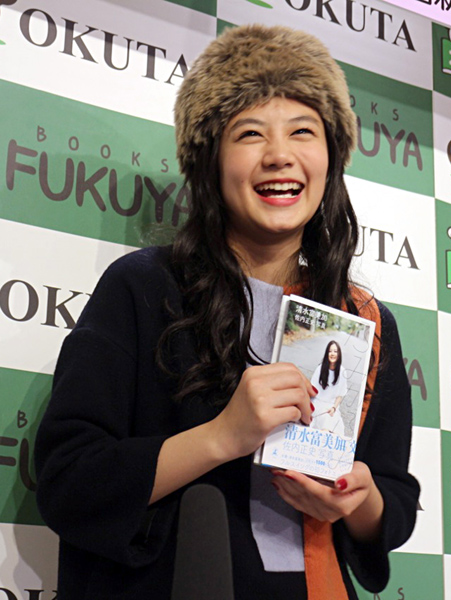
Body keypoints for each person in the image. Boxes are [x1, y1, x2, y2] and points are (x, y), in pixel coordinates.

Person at [34, 24, 420, 600]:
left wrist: (357, 498)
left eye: (303, 131)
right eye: (250, 133)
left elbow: (393, 503)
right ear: (210, 161)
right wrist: (222, 436)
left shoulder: (363, 318)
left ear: (331, 158)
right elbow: (68, 480)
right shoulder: (142, 287)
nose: (280, 155)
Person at [310, 340, 347, 435]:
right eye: (330, 351)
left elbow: (340, 395)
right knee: (324, 424)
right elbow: (312, 389)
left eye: (335, 351)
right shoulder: (320, 368)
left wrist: (334, 408)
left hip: (331, 406)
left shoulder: (342, 371)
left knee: (335, 428)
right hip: (317, 404)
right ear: (327, 353)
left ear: (339, 354)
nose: (332, 354)